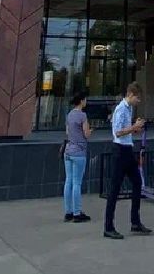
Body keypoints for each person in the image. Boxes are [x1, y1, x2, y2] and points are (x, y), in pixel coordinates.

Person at [103, 82, 151, 240]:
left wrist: (135, 128)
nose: (139, 101)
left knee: (137, 182)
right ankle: (108, 227)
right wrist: (133, 127)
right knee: (114, 189)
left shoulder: (129, 109)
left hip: (128, 149)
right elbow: (117, 132)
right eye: (137, 98)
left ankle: (135, 221)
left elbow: (126, 130)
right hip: (120, 150)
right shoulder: (120, 109)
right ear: (130, 94)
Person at [62, 91, 92, 223]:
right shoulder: (82, 115)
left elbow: (67, 132)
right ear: (81, 101)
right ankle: (77, 212)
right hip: (79, 151)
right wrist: (90, 131)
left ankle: (68, 212)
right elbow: (86, 134)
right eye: (85, 99)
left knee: (68, 181)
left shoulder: (69, 115)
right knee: (77, 183)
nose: (86, 101)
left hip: (68, 150)